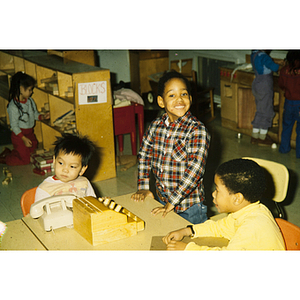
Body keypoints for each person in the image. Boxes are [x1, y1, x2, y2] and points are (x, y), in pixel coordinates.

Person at [131, 71, 211, 224]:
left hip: (189, 207)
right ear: (161, 102)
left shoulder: (197, 130)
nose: (179, 99)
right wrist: (143, 186)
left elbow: (195, 170)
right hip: (162, 199)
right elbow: (144, 155)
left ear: (190, 99)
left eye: (184, 94)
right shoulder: (155, 126)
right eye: (172, 95)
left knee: (192, 244)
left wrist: (172, 202)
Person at [162, 158, 285, 250]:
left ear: (237, 199)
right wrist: (188, 231)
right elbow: (220, 227)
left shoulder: (252, 227)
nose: (213, 194)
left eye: (217, 190)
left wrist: (187, 249)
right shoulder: (248, 211)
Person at [0, 72, 50, 165]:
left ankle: (10, 152)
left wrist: (42, 117)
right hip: (19, 135)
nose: (32, 92)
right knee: (26, 160)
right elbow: (14, 127)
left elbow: (34, 114)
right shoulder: (13, 106)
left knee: (33, 155)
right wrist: (23, 139)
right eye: (30, 90)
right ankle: (4, 159)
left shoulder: (30, 101)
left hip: (30, 133)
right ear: (21, 89)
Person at [35, 133, 96, 202]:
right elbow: (37, 210)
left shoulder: (84, 183)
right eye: (61, 163)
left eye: (72, 166)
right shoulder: (45, 188)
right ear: (54, 161)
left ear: (82, 169)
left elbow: (94, 203)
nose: (65, 170)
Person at [250, 50, 280, 146]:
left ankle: (254, 136)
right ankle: (262, 138)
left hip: (257, 83)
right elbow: (275, 68)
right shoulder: (264, 56)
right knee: (267, 111)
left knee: (260, 110)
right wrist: (281, 65)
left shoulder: (254, 54)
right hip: (264, 85)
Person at [278, 50, 300, 158]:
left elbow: (281, 85)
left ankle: (284, 149)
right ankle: (299, 153)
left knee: (286, 127)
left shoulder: (283, 70)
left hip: (288, 103)